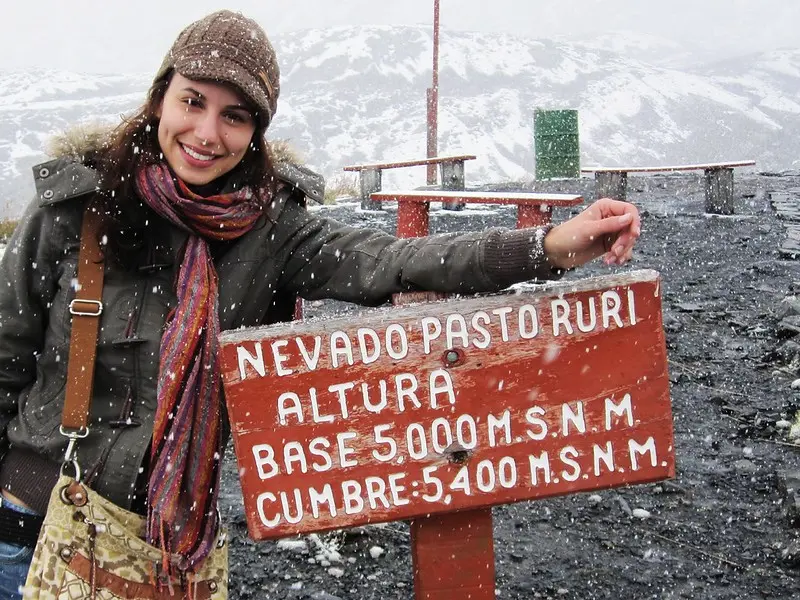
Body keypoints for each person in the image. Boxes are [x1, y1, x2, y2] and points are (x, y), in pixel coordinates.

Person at [0, 9, 640, 598]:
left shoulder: (273, 228)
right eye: (192, 102)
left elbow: (392, 260)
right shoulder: (78, 212)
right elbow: (6, 356)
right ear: (160, 97)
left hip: (170, 546)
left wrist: (551, 246)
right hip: (28, 521)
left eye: (235, 115)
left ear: (256, 132)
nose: (206, 132)